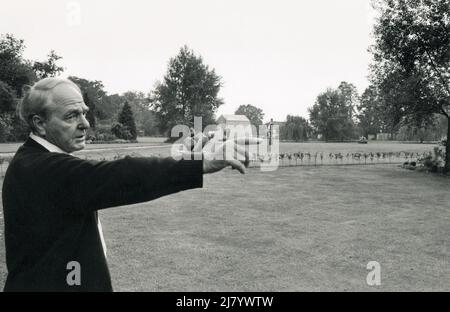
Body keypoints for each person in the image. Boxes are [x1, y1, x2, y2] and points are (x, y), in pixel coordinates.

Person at [2, 77, 259, 291]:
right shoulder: (41, 168)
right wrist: (197, 164)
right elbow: (120, 174)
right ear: (39, 123)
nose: (85, 124)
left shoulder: (35, 160)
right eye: (71, 116)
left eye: (84, 113)